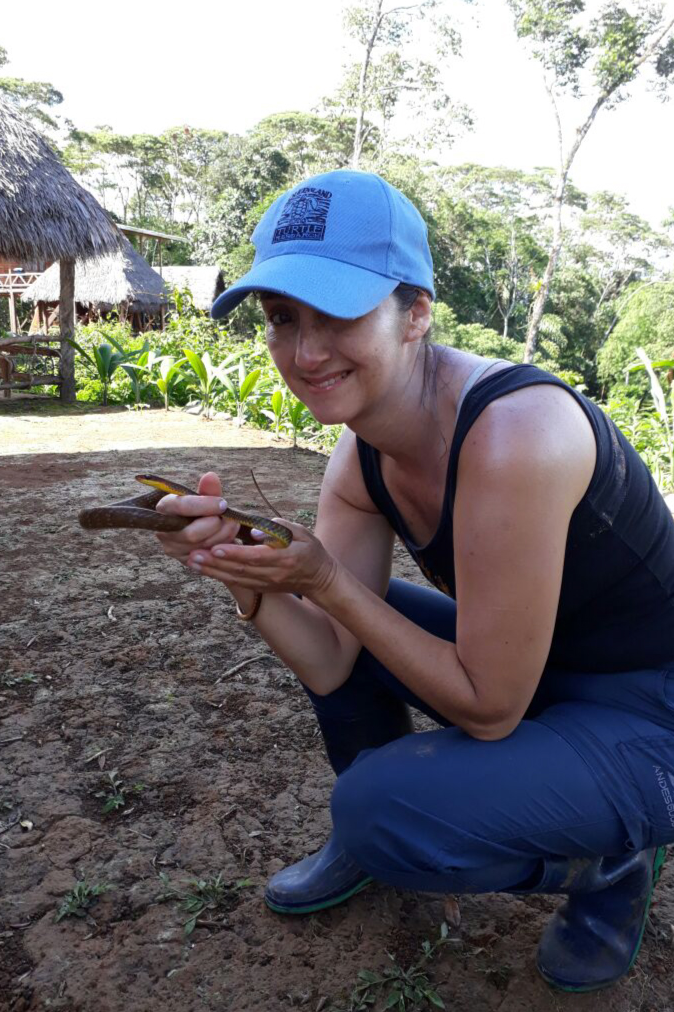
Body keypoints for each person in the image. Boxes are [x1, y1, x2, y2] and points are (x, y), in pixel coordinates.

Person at [153, 169, 674, 993]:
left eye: (338, 314)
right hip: (539, 672)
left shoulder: (515, 435)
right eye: (282, 320)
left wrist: (322, 579)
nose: (305, 351)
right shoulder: (360, 455)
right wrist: (234, 570)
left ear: (415, 312)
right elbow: (330, 662)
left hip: (648, 709)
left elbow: (489, 708)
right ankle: (365, 848)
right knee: (365, 616)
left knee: (379, 806)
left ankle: (607, 867)